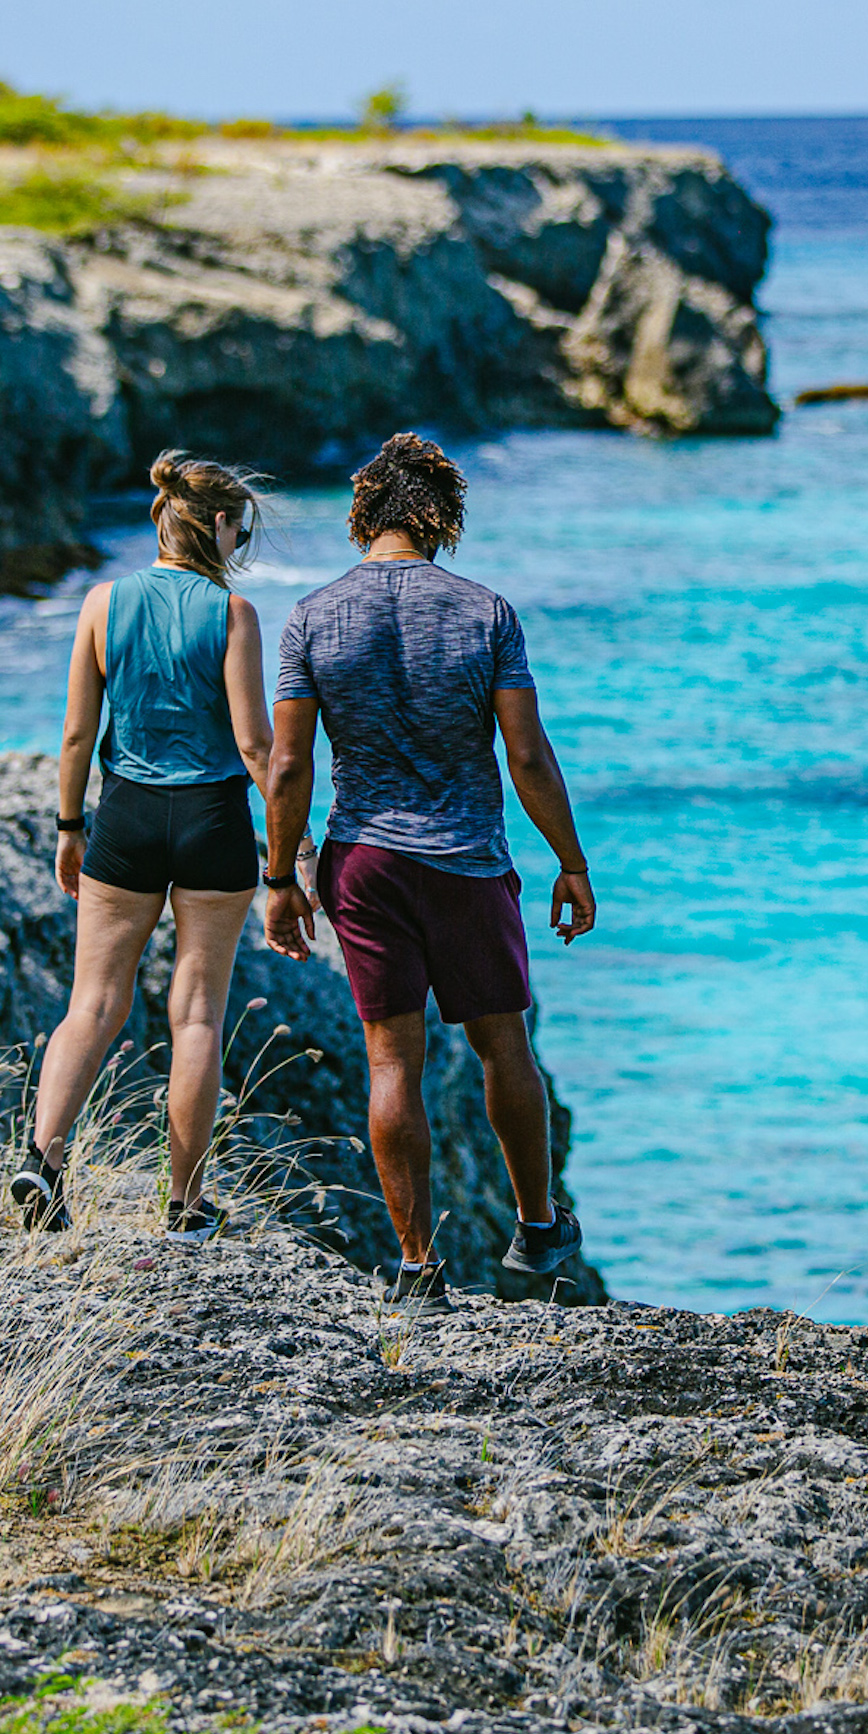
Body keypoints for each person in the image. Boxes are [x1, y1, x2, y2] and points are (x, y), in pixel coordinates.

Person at [262, 432, 596, 1308]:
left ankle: (416, 1268)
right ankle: (534, 1231)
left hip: (363, 862)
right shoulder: (485, 612)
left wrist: (281, 877)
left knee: (390, 1063)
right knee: (501, 1044)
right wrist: (570, 861)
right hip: (465, 864)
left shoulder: (310, 617)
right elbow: (526, 755)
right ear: (437, 515)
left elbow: (289, 767)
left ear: (365, 516)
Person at [12, 451, 275, 1237]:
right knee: (195, 1017)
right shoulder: (233, 616)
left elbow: (75, 734)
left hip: (123, 817)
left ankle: (43, 1162)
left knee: (91, 1003)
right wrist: (297, 848)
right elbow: (257, 746)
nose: (242, 543)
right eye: (242, 529)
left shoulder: (101, 603)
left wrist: (69, 827)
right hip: (212, 822)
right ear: (219, 525)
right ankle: (187, 1207)